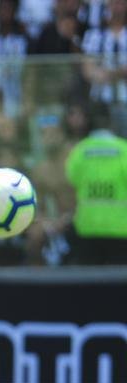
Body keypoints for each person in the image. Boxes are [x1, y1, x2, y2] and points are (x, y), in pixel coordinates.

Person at [64, 102, 127, 266]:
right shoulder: (124, 150)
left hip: (87, 227)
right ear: (112, 122)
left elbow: (71, 182)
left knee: (90, 285)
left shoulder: (79, 151)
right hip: (120, 229)